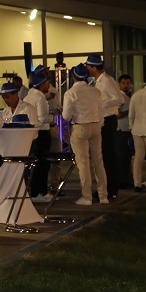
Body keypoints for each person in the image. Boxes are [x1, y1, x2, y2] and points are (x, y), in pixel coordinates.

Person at [63, 64, 109, 205]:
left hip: (80, 127)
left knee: (83, 164)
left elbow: (66, 116)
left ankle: (87, 197)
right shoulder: (96, 91)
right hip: (95, 126)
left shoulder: (70, 93)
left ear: (73, 76)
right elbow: (102, 111)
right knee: (98, 162)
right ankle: (103, 196)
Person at [86, 55, 123, 199]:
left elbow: (119, 99)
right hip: (103, 120)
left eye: (88, 66)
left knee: (107, 155)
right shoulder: (98, 81)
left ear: (94, 68)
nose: (87, 69)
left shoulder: (107, 80)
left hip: (108, 120)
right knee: (104, 155)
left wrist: (100, 104)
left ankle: (110, 188)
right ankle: (107, 188)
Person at [23, 70, 54, 202]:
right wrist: (52, 117)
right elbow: (42, 118)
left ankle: (39, 191)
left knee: (37, 163)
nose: (49, 85)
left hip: (32, 133)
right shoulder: (40, 98)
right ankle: (38, 192)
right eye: (47, 83)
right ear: (42, 84)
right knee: (43, 163)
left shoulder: (28, 97)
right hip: (42, 132)